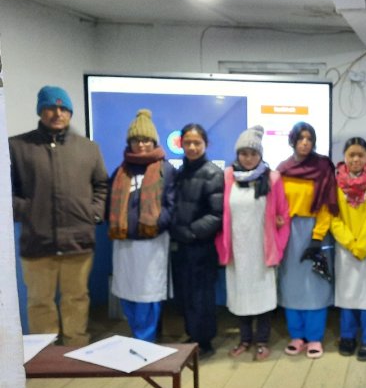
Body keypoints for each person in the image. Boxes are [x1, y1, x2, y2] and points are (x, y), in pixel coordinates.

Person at [10, 86, 107, 346]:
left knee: (77, 298)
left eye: (63, 108)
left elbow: (101, 185)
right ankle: (45, 353)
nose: (57, 113)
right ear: (40, 110)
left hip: (78, 241)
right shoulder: (17, 147)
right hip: (37, 241)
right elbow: (5, 189)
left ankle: (76, 348)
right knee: (40, 302)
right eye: (51, 107)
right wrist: (27, 211)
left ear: (70, 113)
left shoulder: (89, 148)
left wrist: (93, 213)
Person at [216, 125, 290, 361]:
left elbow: (283, 215)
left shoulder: (272, 178)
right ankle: (244, 339)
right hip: (237, 249)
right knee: (240, 295)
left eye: (253, 153)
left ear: (260, 155)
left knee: (263, 296)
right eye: (243, 153)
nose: (248, 158)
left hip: (262, 250)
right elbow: (220, 214)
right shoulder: (227, 177)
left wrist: (278, 246)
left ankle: (262, 341)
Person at [107, 109, 176, 342]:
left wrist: (155, 225)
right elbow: (109, 204)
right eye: (136, 140)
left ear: (154, 141)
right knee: (126, 291)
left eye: (146, 139)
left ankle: (145, 341)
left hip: (152, 244)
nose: (141, 144)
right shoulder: (120, 171)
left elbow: (172, 205)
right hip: (124, 244)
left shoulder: (166, 170)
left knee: (149, 294)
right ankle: (137, 335)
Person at [277, 122, 338, 358]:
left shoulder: (322, 167)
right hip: (288, 232)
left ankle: (314, 337)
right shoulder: (282, 169)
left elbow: (327, 204)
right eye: (301, 138)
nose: (305, 143)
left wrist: (317, 237)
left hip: (315, 231)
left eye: (309, 139)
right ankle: (297, 335)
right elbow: (277, 203)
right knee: (291, 283)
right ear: (292, 140)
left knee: (315, 285)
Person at [331, 137, 366, 361]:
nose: (356, 159)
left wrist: (362, 245)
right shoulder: (336, 183)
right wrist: (350, 242)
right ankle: (347, 336)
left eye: (360, 155)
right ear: (344, 157)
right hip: (346, 248)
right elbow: (333, 216)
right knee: (347, 294)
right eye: (351, 155)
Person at [170, 124, 224, 358]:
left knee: (202, 296)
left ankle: (204, 342)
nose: (192, 147)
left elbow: (217, 214)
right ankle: (193, 336)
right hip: (180, 245)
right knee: (186, 294)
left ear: (206, 145)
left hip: (201, 246)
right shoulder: (180, 172)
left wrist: (192, 233)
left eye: (197, 143)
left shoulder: (213, 173)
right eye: (187, 143)